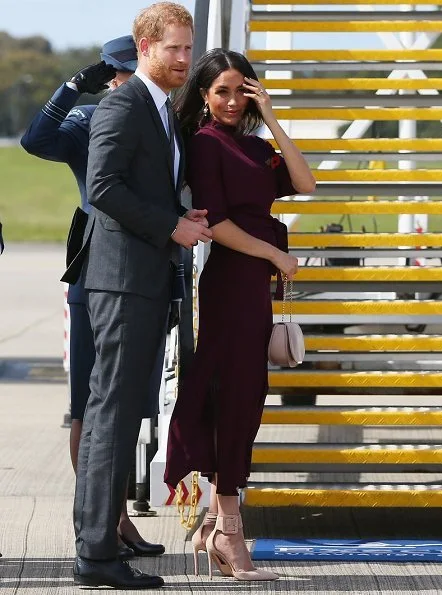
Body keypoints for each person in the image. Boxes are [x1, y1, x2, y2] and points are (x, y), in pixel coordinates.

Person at [62, 3, 212, 589]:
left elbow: (142, 187)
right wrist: (169, 226)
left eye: (187, 48)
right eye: (173, 48)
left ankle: (95, 545)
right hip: (122, 280)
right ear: (143, 46)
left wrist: (179, 215)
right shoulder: (123, 105)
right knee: (112, 416)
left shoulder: (160, 110)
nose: (183, 59)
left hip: (142, 277)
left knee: (114, 418)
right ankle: (96, 555)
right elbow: (102, 188)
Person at [164, 48, 315, 581]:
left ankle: (215, 524)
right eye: (220, 91)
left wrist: (270, 116)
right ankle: (228, 531)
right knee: (233, 397)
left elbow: (304, 183)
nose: (231, 101)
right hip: (232, 281)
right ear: (204, 97)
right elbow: (218, 223)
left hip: (256, 287)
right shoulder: (205, 145)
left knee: (247, 398)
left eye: (239, 90)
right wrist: (275, 255)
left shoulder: (255, 145)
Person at [20, 35, 165, 562]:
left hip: (148, 271)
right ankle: (107, 521)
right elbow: (35, 141)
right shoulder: (89, 121)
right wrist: (71, 87)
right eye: (122, 73)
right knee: (89, 403)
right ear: (110, 76)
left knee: (132, 403)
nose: (132, 81)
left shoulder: (162, 118)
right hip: (95, 269)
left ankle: (115, 516)